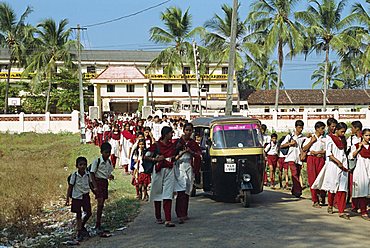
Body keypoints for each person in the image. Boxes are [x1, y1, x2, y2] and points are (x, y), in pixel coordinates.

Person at [312, 122, 350, 220]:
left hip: (343, 165)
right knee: (332, 187)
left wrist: (343, 164)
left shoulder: (343, 139)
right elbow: (329, 153)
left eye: (344, 132)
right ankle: (330, 204)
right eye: (342, 131)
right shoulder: (330, 138)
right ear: (336, 130)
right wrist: (338, 162)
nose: (343, 133)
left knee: (342, 189)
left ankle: (341, 211)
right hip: (334, 165)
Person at [145, 126, 177, 227]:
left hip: (170, 169)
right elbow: (145, 156)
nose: (172, 135)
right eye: (170, 133)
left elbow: (174, 157)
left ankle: (168, 219)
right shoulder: (156, 146)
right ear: (165, 134)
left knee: (168, 193)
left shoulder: (172, 146)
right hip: (159, 170)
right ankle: (158, 216)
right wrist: (156, 159)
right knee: (157, 192)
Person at [174, 123, 201, 223]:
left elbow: (198, 154)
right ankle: (179, 213)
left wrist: (190, 152)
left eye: (190, 130)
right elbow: (173, 153)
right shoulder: (178, 142)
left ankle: (184, 213)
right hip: (179, 167)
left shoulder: (193, 143)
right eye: (187, 130)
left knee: (187, 191)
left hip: (189, 166)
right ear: (183, 130)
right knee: (180, 190)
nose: (188, 132)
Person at [66, 157, 92, 241]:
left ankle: (82, 226)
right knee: (78, 214)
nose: (82, 166)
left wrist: (95, 191)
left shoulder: (87, 174)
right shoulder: (74, 175)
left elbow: (90, 184)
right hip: (76, 197)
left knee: (88, 213)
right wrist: (67, 198)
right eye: (80, 165)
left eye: (84, 164)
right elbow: (70, 187)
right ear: (77, 166)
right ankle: (79, 231)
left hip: (85, 196)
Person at [90, 143, 115, 233]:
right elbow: (92, 173)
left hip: (104, 182)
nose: (107, 154)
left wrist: (110, 176)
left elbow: (108, 173)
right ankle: (97, 223)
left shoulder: (109, 162)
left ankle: (99, 223)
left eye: (109, 152)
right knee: (100, 202)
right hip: (97, 182)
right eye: (106, 152)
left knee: (102, 203)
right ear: (101, 152)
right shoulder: (97, 161)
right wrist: (95, 186)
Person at [303, 121, 326, 208]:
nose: (323, 130)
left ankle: (321, 195)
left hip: (320, 159)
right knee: (312, 179)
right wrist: (311, 142)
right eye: (322, 128)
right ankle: (315, 200)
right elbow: (304, 148)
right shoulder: (310, 138)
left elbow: (326, 150)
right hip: (311, 159)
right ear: (317, 129)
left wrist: (319, 152)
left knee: (321, 178)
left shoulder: (324, 139)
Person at [348, 128, 370, 221]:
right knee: (362, 189)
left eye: (369, 135)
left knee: (367, 190)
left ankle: (360, 207)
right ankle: (363, 211)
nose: (368, 137)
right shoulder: (356, 145)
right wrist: (358, 148)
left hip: (369, 167)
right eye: (366, 135)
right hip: (360, 168)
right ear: (362, 136)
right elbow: (351, 156)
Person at [280, 120, 306, 198]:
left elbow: (303, 148)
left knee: (297, 174)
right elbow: (281, 145)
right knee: (294, 173)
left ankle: (294, 190)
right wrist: (290, 144)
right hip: (291, 157)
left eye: (302, 127)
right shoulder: (289, 136)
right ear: (296, 127)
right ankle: (298, 191)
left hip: (298, 158)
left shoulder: (303, 137)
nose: (301, 129)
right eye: (299, 127)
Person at [346, 121, 363, 212]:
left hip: (364, 164)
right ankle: (355, 205)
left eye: (352, 128)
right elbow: (349, 151)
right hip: (354, 163)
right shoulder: (351, 139)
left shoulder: (364, 137)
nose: (351, 130)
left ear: (356, 128)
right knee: (353, 184)